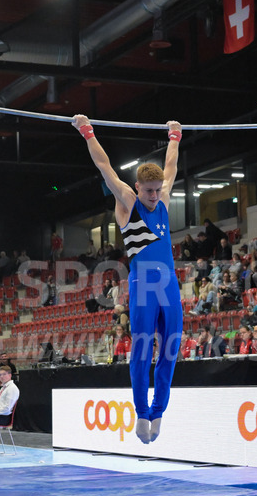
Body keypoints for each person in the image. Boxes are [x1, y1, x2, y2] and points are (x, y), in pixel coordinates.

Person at [74, 113, 182, 444]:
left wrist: (175, 136)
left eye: (157, 189)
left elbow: (172, 166)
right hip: (143, 286)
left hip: (169, 285)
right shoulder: (128, 202)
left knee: (170, 346)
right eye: (149, 190)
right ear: (137, 187)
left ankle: (158, 410)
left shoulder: (162, 197)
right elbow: (104, 166)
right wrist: (87, 132)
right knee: (141, 349)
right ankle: (141, 411)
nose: (154, 195)